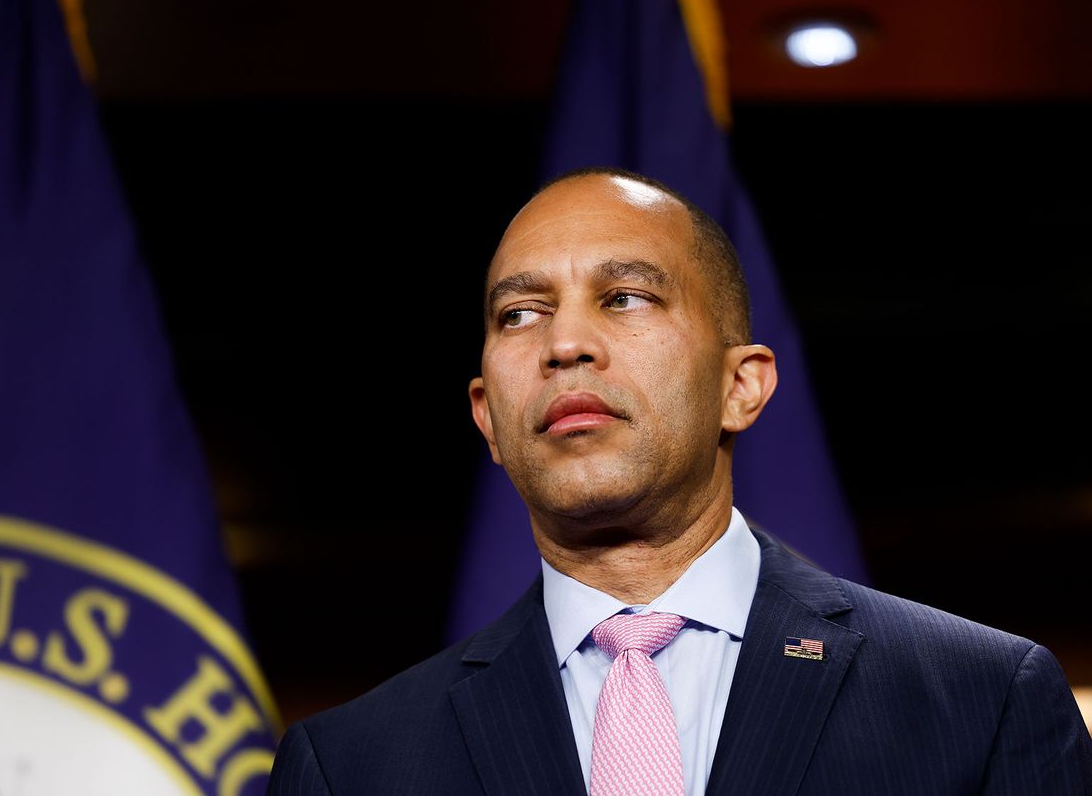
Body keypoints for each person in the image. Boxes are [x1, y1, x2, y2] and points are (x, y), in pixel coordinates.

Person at [267, 168, 1092, 795]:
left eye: (624, 297)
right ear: (486, 415)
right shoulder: (349, 766)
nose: (565, 345)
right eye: (520, 314)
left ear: (743, 386)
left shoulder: (981, 702)